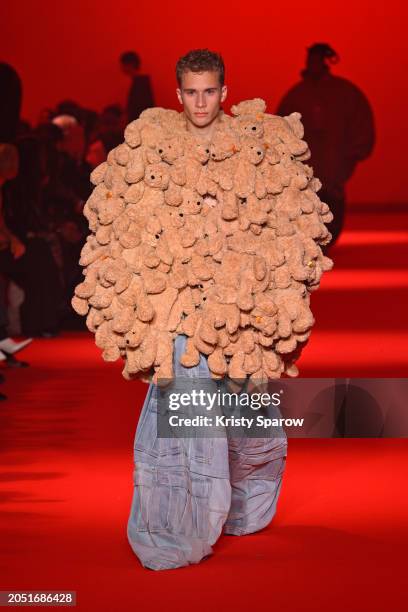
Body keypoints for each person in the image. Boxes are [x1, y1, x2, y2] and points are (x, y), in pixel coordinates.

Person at [126, 49, 288, 571]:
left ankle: (245, 506)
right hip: (177, 310)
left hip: (236, 310)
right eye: (191, 92)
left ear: (225, 90)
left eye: (209, 91)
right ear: (178, 95)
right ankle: (179, 526)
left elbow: (273, 225)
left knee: (245, 415)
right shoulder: (157, 149)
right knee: (186, 419)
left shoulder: (250, 147)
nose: (200, 102)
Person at [276, 43, 375, 250]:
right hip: (306, 167)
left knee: (332, 206)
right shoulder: (298, 95)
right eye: (311, 59)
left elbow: (360, 121)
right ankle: (313, 243)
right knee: (307, 205)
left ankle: (325, 242)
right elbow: (280, 125)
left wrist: (356, 151)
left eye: (317, 59)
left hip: (333, 165)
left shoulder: (343, 93)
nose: (313, 64)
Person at [120, 51, 155, 123]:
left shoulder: (140, 83)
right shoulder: (141, 81)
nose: (122, 68)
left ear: (131, 64)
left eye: (123, 65)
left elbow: (138, 106)